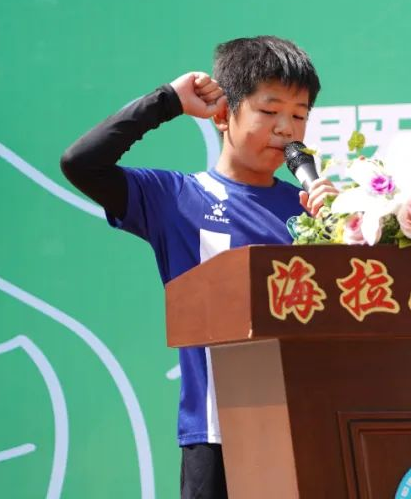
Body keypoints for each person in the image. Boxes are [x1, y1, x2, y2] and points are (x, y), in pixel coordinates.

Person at [60, 36, 337, 498]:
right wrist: (166, 101)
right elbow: (82, 164)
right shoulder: (175, 199)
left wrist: (343, 226)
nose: (286, 129)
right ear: (224, 115)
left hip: (308, 426)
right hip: (217, 434)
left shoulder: (312, 210)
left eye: (299, 115)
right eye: (269, 111)